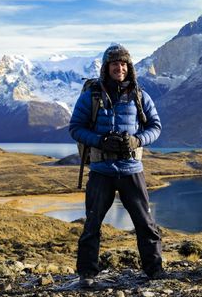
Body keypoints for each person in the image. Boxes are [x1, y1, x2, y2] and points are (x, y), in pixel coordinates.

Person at [69, 44, 164, 288]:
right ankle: (87, 275)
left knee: (145, 223)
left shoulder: (140, 95)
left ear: (129, 68)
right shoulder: (91, 95)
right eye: (114, 64)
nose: (119, 68)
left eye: (123, 64)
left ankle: (154, 271)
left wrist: (137, 140)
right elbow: (76, 128)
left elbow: (155, 126)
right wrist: (100, 141)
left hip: (132, 169)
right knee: (92, 224)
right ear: (106, 68)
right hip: (101, 171)